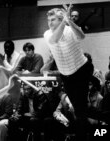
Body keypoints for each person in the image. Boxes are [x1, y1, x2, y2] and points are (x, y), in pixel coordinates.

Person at [43, 4, 94, 140]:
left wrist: (69, 21)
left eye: (53, 19)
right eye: (48, 20)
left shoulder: (69, 29)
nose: (50, 23)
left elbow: (82, 36)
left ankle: (83, 136)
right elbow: (55, 39)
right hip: (67, 76)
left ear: (61, 20)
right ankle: (95, 128)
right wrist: (64, 21)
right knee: (78, 109)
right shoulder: (47, 34)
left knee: (80, 109)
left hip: (82, 70)